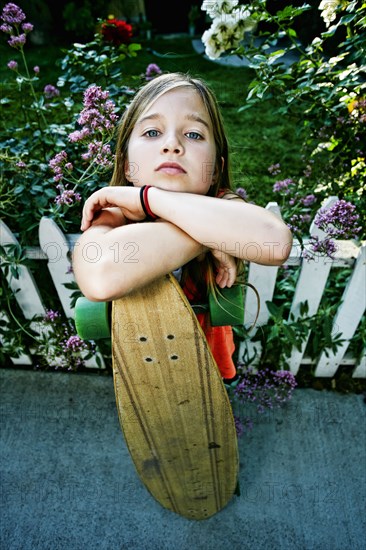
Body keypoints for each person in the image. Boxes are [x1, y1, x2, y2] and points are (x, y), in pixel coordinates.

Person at [73, 72, 292, 382]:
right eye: (152, 132)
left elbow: (274, 243)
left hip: (209, 369)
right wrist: (211, 236)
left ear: (216, 168)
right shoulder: (115, 215)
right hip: (144, 374)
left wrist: (149, 199)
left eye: (193, 135)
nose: (172, 145)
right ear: (125, 164)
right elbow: (100, 277)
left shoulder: (223, 203)